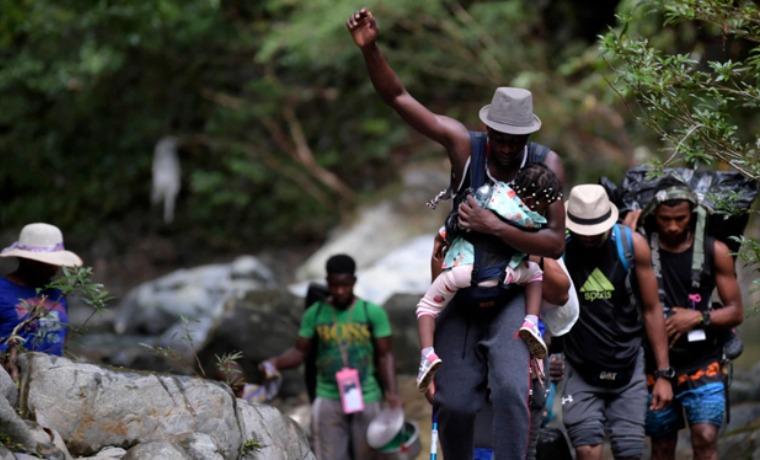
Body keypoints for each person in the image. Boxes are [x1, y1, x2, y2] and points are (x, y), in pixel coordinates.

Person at [348, 8, 567, 459]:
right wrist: (371, 50)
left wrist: (495, 226)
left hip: (511, 296)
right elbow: (400, 98)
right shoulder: (466, 147)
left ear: (528, 134)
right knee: (454, 401)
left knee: (510, 389)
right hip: (461, 297)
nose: (506, 146)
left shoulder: (546, 165)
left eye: (515, 139)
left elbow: (555, 242)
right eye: (499, 136)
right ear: (487, 127)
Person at [416, 164, 563, 391]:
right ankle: (531, 322)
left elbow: (453, 225)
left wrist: (443, 237)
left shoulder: (490, 194)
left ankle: (427, 354)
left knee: (426, 308)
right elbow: (547, 244)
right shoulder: (531, 219)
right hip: (505, 275)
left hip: (461, 271)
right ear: (535, 202)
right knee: (535, 275)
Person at [628, 187, 743, 460]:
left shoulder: (715, 250)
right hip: (653, 365)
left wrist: (698, 317)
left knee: (705, 438)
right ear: (654, 216)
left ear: (691, 215)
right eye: (664, 219)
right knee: (662, 446)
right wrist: (625, 234)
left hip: (704, 361)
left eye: (680, 218)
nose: (672, 226)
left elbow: (736, 311)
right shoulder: (640, 246)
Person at [560, 184, 673, 460]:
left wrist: (663, 374)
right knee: (587, 450)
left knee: (630, 451)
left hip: (628, 361)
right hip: (579, 365)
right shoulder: (558, 249)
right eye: (582, 232)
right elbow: (546, 306)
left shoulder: (631, 245)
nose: (588, 238)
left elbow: (651, 309)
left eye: (594, 232)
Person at [259, 254, 400, 460]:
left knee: (369, 455)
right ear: (327, 283)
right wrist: (275, 363)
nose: (340, 291)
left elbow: (385, 355)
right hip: (328, 396)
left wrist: (393, 394)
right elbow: (300, 351)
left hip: (367, 395)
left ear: (353, 281)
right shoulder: (315, 314)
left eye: (345, 285)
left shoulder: (372, 312)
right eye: (334, 285)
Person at [0, 223, 83, 357]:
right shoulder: (2, 292)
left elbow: (61, 338)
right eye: (47, 262)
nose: (55, 268)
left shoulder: (57, 294)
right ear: (27, 260)